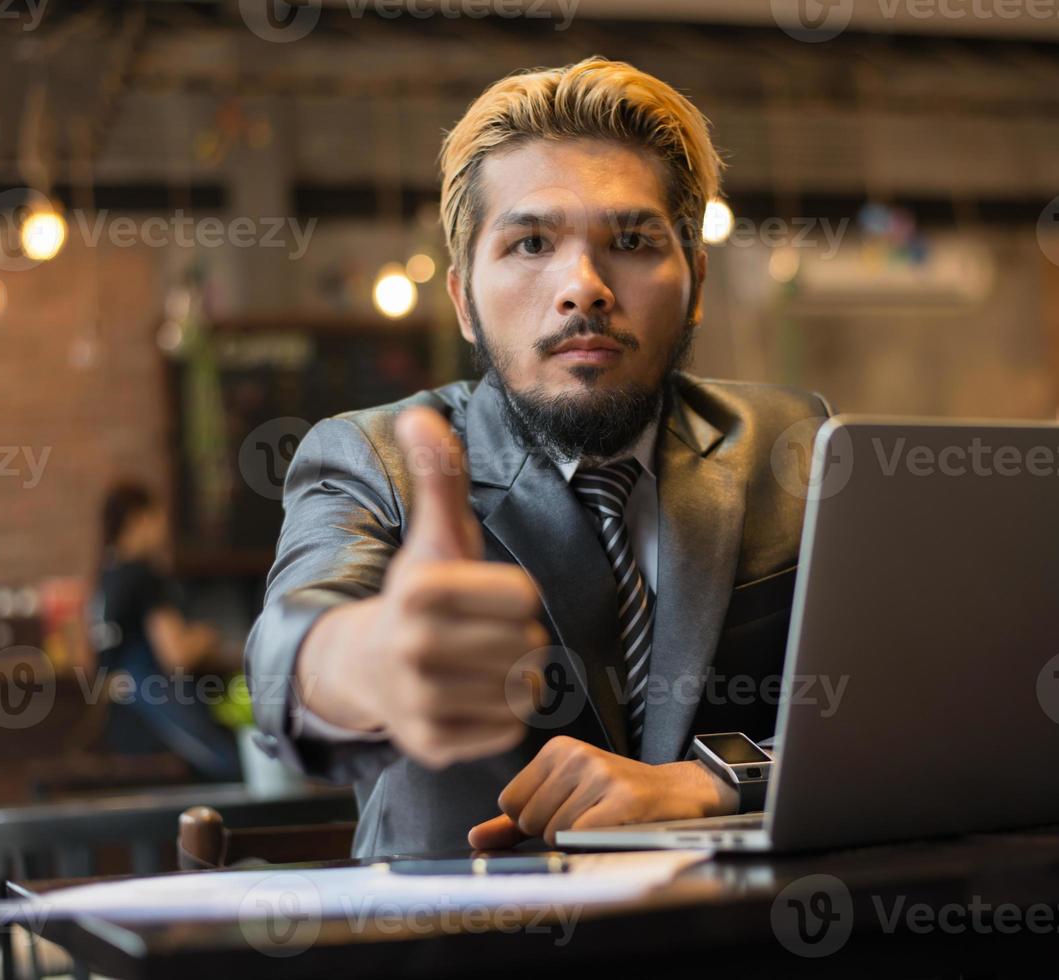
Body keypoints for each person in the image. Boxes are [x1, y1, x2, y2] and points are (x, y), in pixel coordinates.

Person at [245, 57, 831, 857]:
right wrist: (369, 658)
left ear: (694, 281)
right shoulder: (374, 458)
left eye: (630, 240)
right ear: (462, 299)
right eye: (529, 243)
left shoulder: (791, 441)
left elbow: (910, 713)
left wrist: (720, 780)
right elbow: (290, 653)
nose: (582, 287)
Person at [91, 481, 241, 780]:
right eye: (158, 518)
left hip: (120, 723)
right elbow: (176, 655)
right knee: (232, 765)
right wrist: (207, 636)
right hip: (158, 718)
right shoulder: (143, 575)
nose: (162, 529)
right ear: (140, 519)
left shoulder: (105, 576)